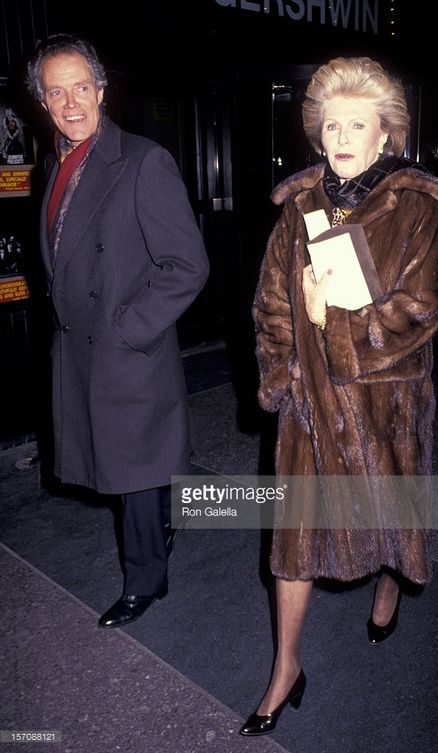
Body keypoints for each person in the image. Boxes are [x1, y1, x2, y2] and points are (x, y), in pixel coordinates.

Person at [240, 56, 438, 736]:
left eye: (356, 122)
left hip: (385, 408)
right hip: (311, 407)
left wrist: (333, 323)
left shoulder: (419, 207)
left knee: (392, 529)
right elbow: (272, 305)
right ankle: (286, 667)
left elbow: (420, 310)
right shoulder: (298, 205)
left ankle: (389, 588)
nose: (340, 134)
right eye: (331, 122)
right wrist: (286, 373)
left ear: (386, 133)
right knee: (292, 547)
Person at [26, 35, 209, 628]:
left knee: (132, 476)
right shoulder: (55, 165)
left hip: (128, 350)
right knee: (128, 473)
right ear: (43, 102)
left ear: (102, 91)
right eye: (57, 92)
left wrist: (130, 330)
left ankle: (144, 583)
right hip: (82, 349)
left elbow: (188, 265)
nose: (71, 103)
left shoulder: (142, 161)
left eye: (81, 87)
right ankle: (161, 529)